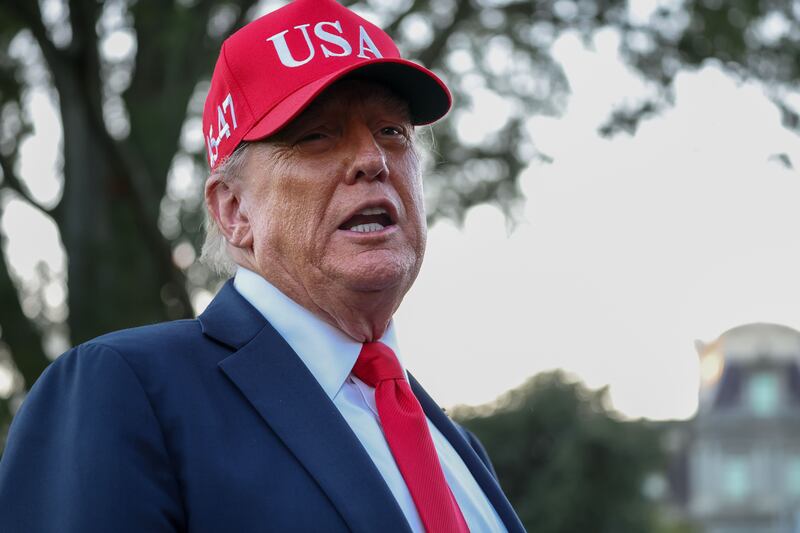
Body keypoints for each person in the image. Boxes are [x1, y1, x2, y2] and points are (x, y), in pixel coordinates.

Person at [0, 1, 525, 532]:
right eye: (317, 135)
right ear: (234, 210)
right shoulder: (125, 391)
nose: (373, 159)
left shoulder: (459, 449)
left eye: (392, 131)